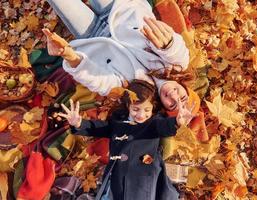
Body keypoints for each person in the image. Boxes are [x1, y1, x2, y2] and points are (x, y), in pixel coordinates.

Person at [44, 0, 192, 112]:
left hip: (92, 34)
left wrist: (70, 57)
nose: (174, 96)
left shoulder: (137, 96)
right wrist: (168, 45)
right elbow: (177, 50)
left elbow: (101, 82)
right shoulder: (178, 65)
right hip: (120, 8)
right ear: (185, 88)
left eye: (172, 105)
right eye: (183, 97)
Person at [58, 80, 194, 200]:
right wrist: (79, 123)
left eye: (147, 110)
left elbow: (165, 127)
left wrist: (177, 122)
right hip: (117, 178)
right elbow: (98, 128)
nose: (141, 115)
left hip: (141, 180)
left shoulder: (153, 123)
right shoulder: (118, 121)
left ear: (152, 108)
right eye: (135, 109)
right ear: (128, 106)